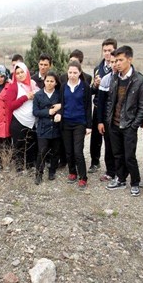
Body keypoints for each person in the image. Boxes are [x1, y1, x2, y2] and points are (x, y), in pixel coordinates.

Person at [100, 46, 143, 197]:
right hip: (114, 124)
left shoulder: (139, 80)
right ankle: (120, 179)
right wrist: (109, 119)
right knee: (117, 154)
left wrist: (134, 124)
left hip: (128, 125)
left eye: (121, 60)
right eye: (116, 60)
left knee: (129, 156)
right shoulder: (115, 78)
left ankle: (135, 182)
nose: (117, 63)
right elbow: (110, 101)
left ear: (130, 59)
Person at [59, 60, 92, 190]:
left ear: (80, 73)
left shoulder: (85, 86)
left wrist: (89, 125)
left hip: (79, 123)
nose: (72, 75)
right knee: (69, 151)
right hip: (66, 122)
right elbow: (62, 103)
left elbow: (88, 107)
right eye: (70, 72)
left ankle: (83, 177)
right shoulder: (63, 87)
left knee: (78, 151)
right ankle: (72, 172)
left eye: (75, 72)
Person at [89, 38, 117, 177]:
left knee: (110, 139)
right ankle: (95, 162)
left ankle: (112, 167)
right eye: (104, 51)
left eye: (110, 51)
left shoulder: (116, 67)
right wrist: (95, 85)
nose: (107, 53)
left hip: (111, 109)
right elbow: (92, 92)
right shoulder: (97, 69)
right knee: (95, 136)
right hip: (98, 106)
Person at [33, 71, 62, 183]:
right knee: (42, 151)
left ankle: (52, 171)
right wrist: (48, 112)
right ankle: (39, 174)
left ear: (55, 83)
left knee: (55, 151)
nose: (49, 83)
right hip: (43, 127)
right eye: (47, 81)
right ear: (44, 82)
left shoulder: (59, 94)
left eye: (52, 81)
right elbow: (35, 111)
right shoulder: (38, 95)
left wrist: (59, 112)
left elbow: (64, 106)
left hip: (56, 127)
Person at [9, 62, 39, 171]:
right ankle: (19, 168)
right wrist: (25, 97)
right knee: (19, 146)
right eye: (17, 73)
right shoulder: (13, 87)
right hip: (18, 120)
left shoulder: (32, 84)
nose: (20, 75)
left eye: (22, 72)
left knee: (31, 145)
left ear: (26, 72)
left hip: (32, 120)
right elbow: (10, 106)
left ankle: (30, 166)